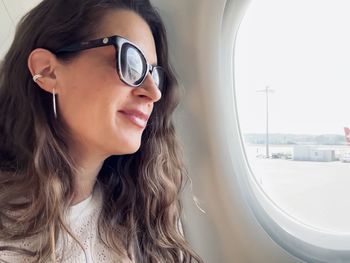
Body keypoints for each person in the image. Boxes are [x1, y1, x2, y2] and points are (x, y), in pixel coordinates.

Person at [0, 0, 203, 262]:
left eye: (154, 73)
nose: (153, 92)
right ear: (47, 71)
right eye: (131, 62)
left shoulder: (149, 215)